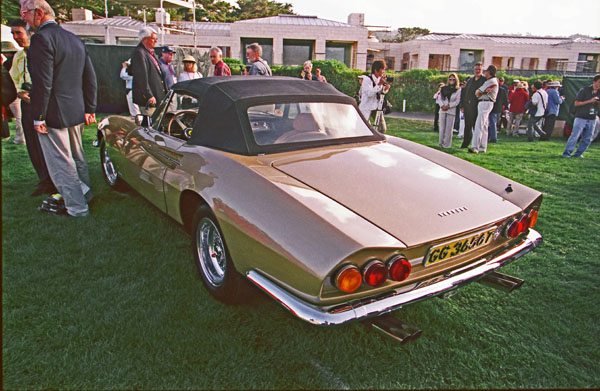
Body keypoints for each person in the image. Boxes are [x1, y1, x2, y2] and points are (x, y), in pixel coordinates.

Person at [22, 0, 97, 217]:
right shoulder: (75, 39)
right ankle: (86, 195)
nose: (24, 18)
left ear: (38, 13)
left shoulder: (41, 39)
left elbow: (43, 82)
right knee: (78, 157)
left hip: (53, 112)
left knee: (61, 164)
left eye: (25, 13)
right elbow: (90, 77)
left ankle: (77, 207)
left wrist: (38, 116)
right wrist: (89, 107)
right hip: (75, 109)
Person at [9, 18, 56, 196]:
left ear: (29, 33)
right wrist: (20, 93)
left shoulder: (41, 52)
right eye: (13, 33)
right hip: (27, 103)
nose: (15, 37)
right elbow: (14, 80)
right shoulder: (19, 56)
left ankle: (55, 179)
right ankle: (43, 180)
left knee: (48, 143)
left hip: (44, 104)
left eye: (18, 33)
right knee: (32, 145)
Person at [562, 74, 600, 158]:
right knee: (575, 135)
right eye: (599, 82)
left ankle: (578, 154)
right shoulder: (584, 90)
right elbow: (576, 103)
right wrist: (590, 101)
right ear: (594, 82)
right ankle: (567, 153)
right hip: (581, 117)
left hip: (592, 118)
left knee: (588, 137)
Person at [131, 27, 166, 116]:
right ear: (145, 39)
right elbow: (141, 77)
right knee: (150, 125)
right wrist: (149, 95)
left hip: (158, 97)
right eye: (154, 39)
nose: (156, 41)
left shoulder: (151, 53)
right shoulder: (139, 53)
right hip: (149, 100)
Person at [469, 65, 498, 153]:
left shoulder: (490, 81)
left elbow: (477, 92)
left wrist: (480, 93)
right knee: (484, 126)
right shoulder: (493, 81)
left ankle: (475, 146)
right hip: (487, 102)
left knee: (479, 124)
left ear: (489, 72)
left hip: (485, 102)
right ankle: (482, 147)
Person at [2, 40, 25, 144]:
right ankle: (21, 137)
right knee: (20, 115)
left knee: (18, 116)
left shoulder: (7, 63)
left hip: (13, 91)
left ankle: (20, 138)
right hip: (21, 90)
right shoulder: (19, 59)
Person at [358, 59, 390, 131]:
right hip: (367, 107)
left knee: (382, 129)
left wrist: (386, 89)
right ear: (376, 70)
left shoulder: (380, 79)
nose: (384, 71)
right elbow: (369, 93)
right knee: (364, 129)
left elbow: (380, 93)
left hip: (376, 107)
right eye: (382, 69)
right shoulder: (366, 80)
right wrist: (379, 84)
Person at [460, 62, 486, 148]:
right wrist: (463, 106)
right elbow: (465, 93)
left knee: (477, 127)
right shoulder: (470, 80)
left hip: (477, 106)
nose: (477, 71)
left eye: (479, 69)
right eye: (476, 69)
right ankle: (465, 144)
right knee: (467, 126)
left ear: (482, 70)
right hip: (468, 106)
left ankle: (477, 145)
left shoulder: (484, 80)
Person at [436, 73, 461, 148]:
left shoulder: (458, 90)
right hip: (442, 110)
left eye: (453, 79)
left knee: (449, 129)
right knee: (442, 128)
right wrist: (442, 106)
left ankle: (447, 145)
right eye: (450, 79)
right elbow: (439, 98)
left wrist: (449, 106)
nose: (452, 80)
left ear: (456, 80)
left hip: (451, 111)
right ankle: (441, 143)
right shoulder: (443, 88)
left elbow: (457, 101)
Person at [488, 77, 508, 143]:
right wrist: (505, 107)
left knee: (492, 123)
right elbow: (505, 100)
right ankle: (491, 136)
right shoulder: (502, 90)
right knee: (494, 123)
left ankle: (493, 138)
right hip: (499, 108)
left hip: (493, 108)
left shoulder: (492, 89)